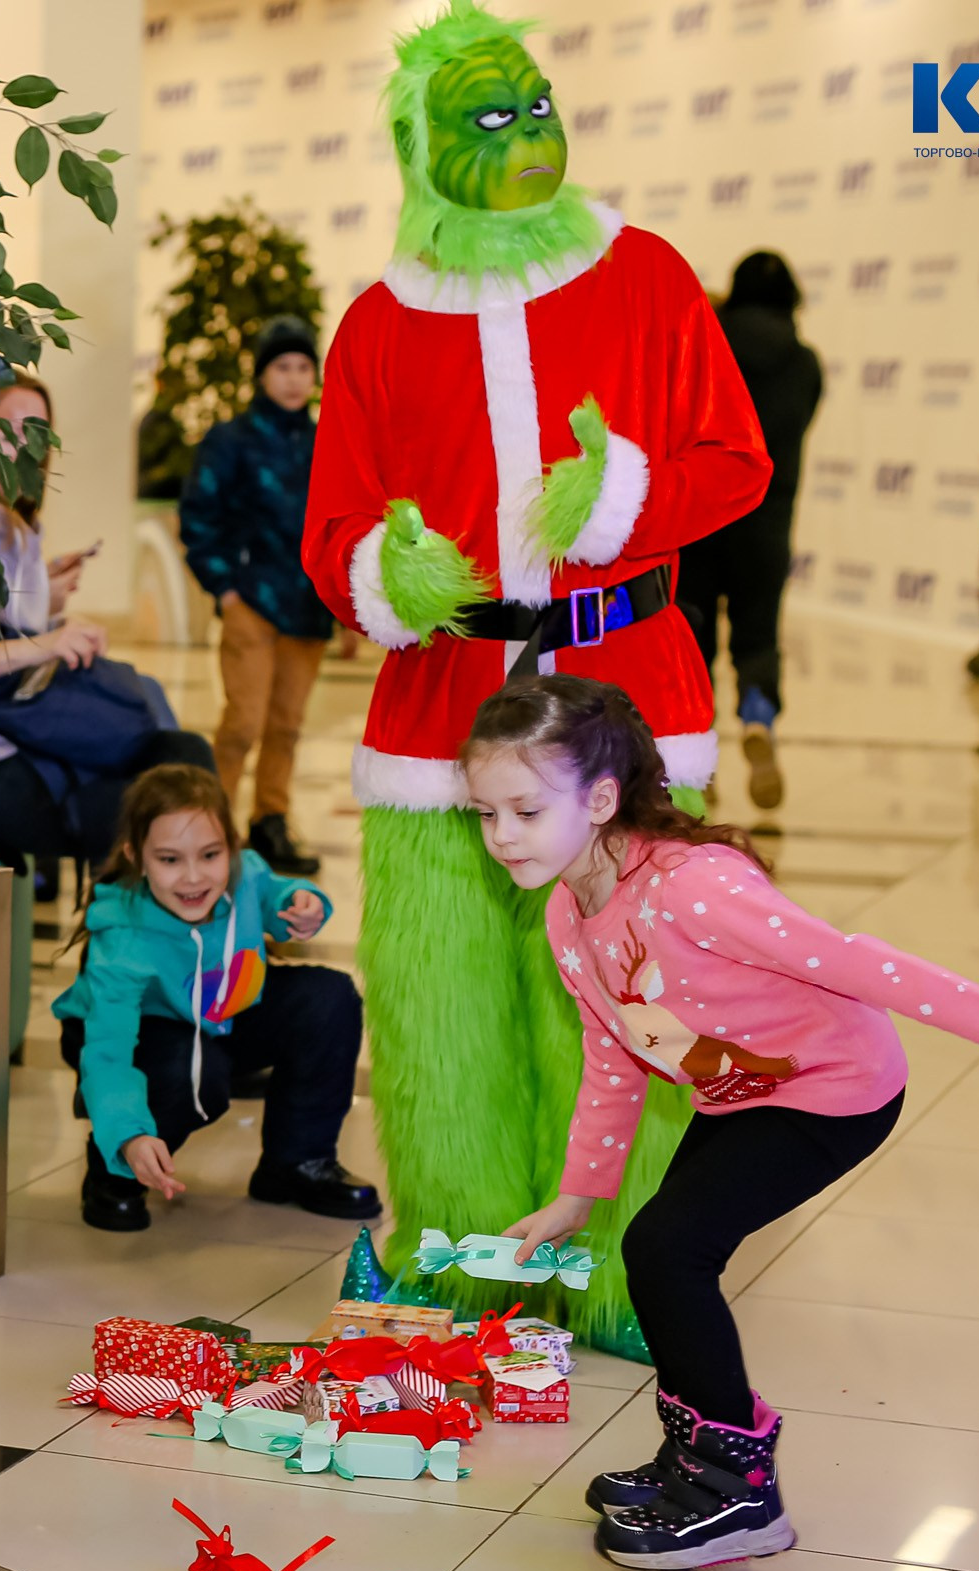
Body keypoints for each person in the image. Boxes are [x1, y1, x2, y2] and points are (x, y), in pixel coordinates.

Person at [299, 0, 770, 1355]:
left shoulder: (647, 276)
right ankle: (464, 1263)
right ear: (422, 148)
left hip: (626, 693)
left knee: (634, 1006)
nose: (525, 137)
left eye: (536, 108)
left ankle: (634, 1271)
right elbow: (332, 535)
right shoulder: (378, 325)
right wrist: (383, 573)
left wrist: (624, 502)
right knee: (444, 1013)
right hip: (438, 716)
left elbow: (735, 461)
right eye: (487, 120)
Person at [464, 675, 979, 1569]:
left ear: (600, 799)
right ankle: (698, 1458)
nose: (501, 835)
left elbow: (854, 962)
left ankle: (738, 1492)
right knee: (666, 1254)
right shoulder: (570, 912)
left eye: (525, 811)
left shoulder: (692, 888)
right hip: (740, 1091)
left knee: (667, 1250)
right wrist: (577, 1193)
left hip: (833, 1090)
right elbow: (616, 1052)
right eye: (486, 813)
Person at [0, 373, 215, 882]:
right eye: (6, 427)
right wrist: (42, 642)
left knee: (171, 749)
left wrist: (44, 601)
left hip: (14, 725)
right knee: (167, 777)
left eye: (36, 430)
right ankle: (181, 896)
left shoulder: (4, 518)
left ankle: (173, 895)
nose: (23, 444)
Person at [52, 765, 378, 1231]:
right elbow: (108, 1055)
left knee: (327, 998)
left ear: (233, 848)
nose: (193, 877)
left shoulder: (246, 875)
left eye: (210, 854)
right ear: (136, 857)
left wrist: (304, 904)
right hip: (136, 1033)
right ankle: (117, 1168)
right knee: (193, 1074)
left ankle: (297, 1163)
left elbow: (279, 894)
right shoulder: (123, 941)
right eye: (169, 859)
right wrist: (128, 1137)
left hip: (221, 1012)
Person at [180, 316, 335, 876]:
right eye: (282, 367)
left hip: (309, 607)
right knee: (243, 723)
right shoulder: (231, 441)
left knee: (286, 726)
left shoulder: (327, 440)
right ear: (262, 375)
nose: (293, 378)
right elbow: (199, 515)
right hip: (250, 604)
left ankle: (271, 822)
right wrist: (224, 588)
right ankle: (214, 827)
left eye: (303, 367)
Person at [676, 252, 822, 811]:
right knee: (758, 635)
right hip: (766, 523)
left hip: (702, 518)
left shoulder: (706, 346)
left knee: (694, 635)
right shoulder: (805, 364)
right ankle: (759, 720)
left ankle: (699, 753)